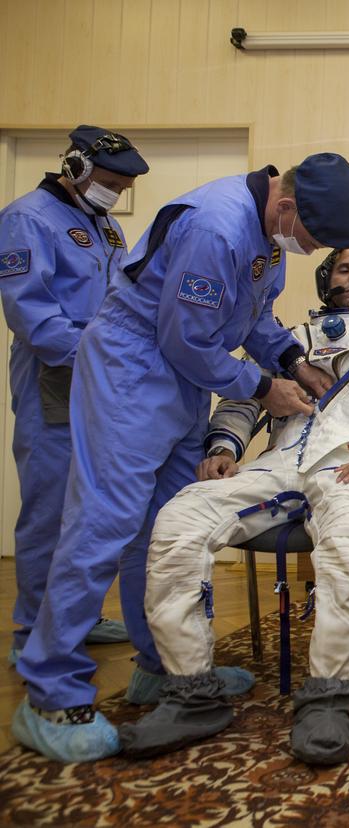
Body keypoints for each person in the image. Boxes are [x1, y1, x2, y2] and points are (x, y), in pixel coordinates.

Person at [12, 153, 349, 763]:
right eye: (311, 242)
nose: (309, 253)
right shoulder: (217, 226)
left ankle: (162, 666)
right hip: (134, 371)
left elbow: (252, 315)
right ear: (287, 208)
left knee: (166, 528)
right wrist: (263, 388)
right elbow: (186, 337)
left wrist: (294, 362)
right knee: (104, 525)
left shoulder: (267, 233)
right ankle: (49, 690)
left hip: (181, 381)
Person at [116, 244, 349, 764]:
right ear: (325, 278)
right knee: (179, 517)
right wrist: (224, 447)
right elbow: (244, 396)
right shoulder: (288, 339)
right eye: (343, 268)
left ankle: (326, 696)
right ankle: (192, 693)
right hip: (279, 462)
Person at [0, 126, 146, 665]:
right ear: (77, 167)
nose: (117, 194)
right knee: (50, 508)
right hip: (55, 373)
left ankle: (76, 618)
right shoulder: (28, 218)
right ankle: (31, 633)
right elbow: (31, 316)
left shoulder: (105, 226)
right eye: (111, 182)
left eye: (124, 187)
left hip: (105, 377)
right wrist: (101, 352)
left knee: (93, 507)